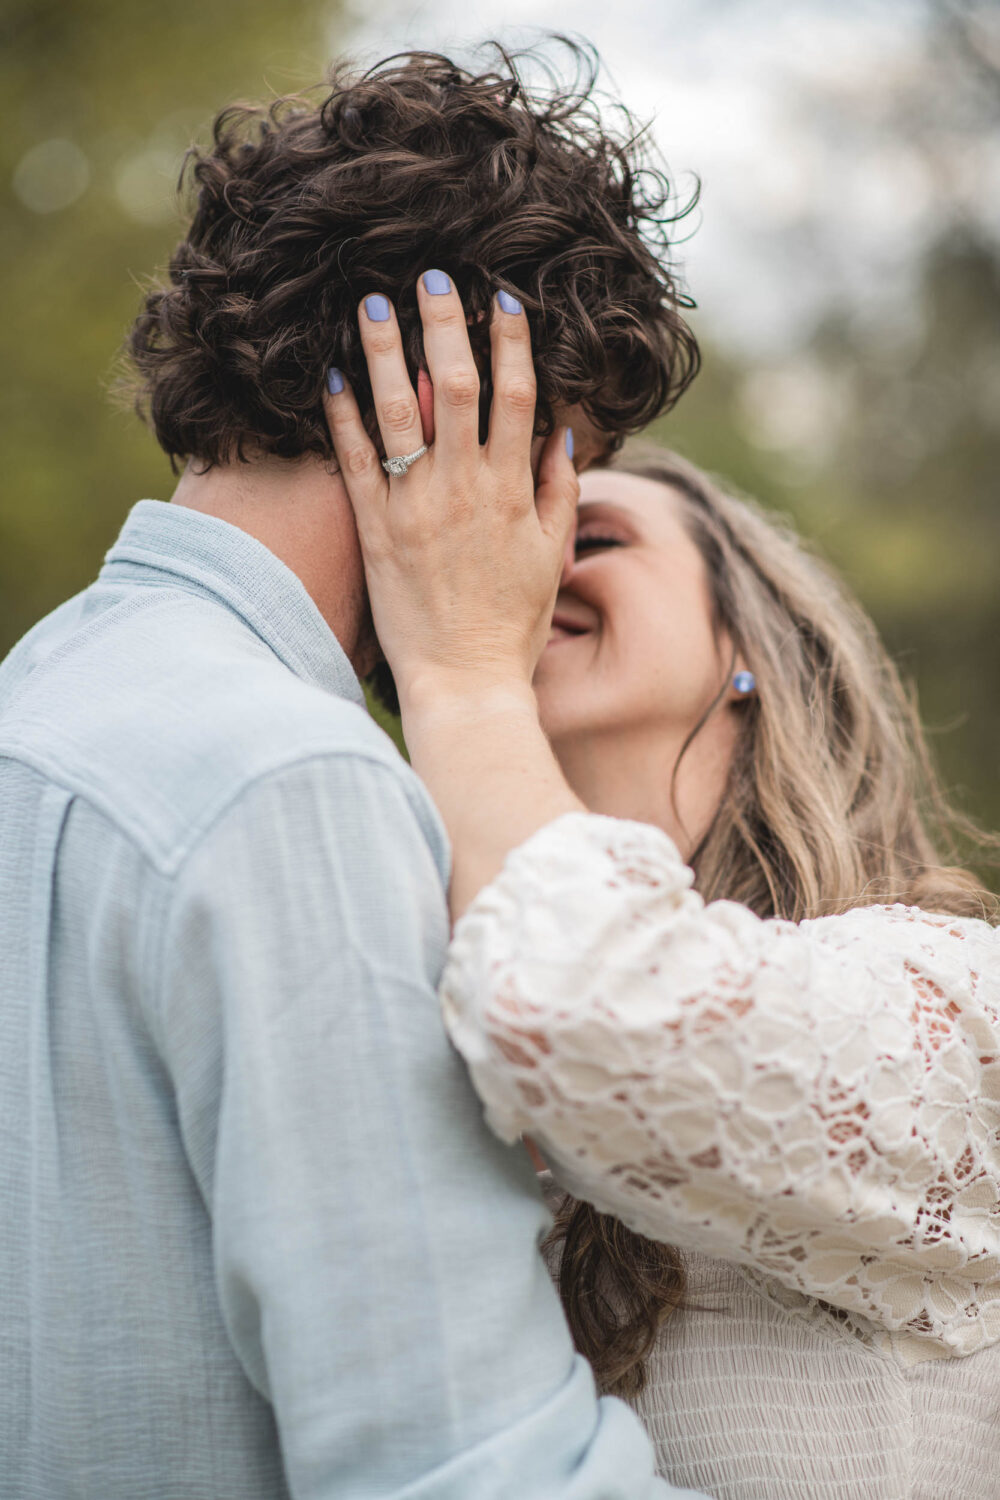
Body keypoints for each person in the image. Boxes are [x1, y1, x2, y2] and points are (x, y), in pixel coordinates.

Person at [0, 48, 708, 1500]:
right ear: (468, 415)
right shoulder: (292, 783)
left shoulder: (42, 701)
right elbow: (460, 1463)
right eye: (569, 473)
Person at [325, 279, 1000, 1499]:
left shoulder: (955, 1000)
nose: (513, 579)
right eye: (467, 562)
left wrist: (469, 674)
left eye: (584, 537)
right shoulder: (397, 1007)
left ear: (749, 646)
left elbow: (587, 1011)